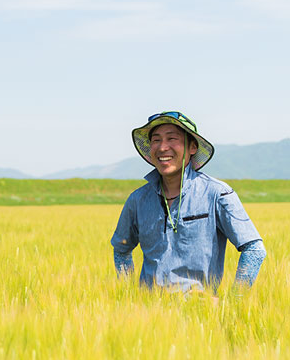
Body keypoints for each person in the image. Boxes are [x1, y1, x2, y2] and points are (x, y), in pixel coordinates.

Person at [111, 111, 266, 295]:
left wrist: (234, 300)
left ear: (192, 147)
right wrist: (129, 295)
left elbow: (254, 249)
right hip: (150, 313)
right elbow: (121, 250)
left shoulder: (217, 193)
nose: (162, 148)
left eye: (172, 138)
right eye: (156, 140)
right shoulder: (137, 200)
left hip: (201, 315)